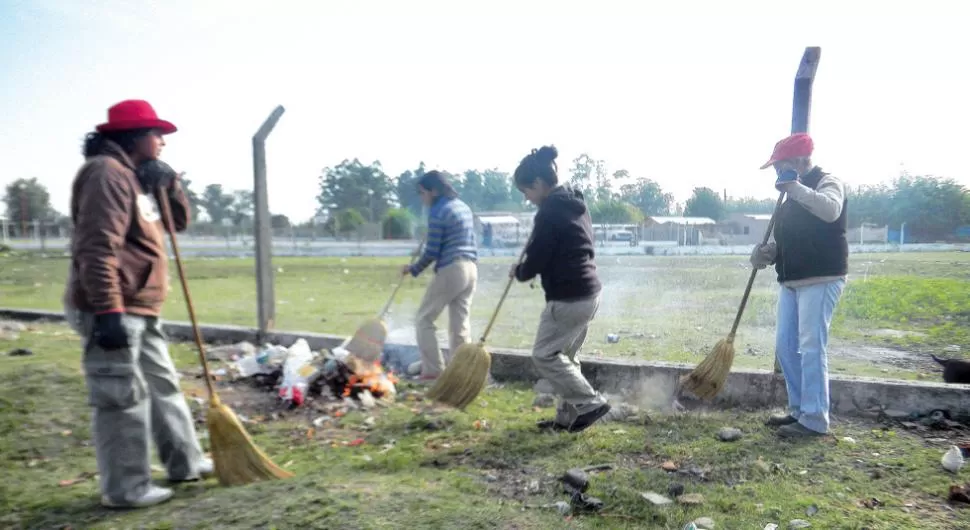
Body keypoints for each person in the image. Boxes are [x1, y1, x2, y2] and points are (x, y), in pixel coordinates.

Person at [68, 99, 211, 508]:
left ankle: (186, 462)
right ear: (134, 137)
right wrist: (108, 309)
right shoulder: (106, 175)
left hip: (142, 306)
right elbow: (96, 248)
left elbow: (175, 223)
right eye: (156, 134)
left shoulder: (135, 177)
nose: (162, 141)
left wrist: (169, 185)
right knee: (121, 396)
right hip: (113, 306)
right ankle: (127, 489)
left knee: (163, 386)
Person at [750, 132, 848, 439]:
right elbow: (786, 240)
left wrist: (794, 187)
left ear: (798, 161)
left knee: (811, 347)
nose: (778, 172)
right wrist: (767, 253)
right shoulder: (787, 196)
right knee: (785, 345)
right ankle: (798, 411)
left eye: (780, 165)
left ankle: (815, 419)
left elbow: (830, 211)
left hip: (821, 276)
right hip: (791, 279)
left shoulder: (826, 181)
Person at [509, 145, 611, 433]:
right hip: (590, 293)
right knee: (565, 358)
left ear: (539, 184)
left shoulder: (549, 212)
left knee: (544, 355)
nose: (526, 198)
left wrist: (520, 271)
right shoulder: (574, 203)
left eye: (525, 190)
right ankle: (567, 418)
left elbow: (538, 258)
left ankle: (591, 403)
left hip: (568, 297)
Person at [401, 170, 478, 381]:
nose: (421, 197)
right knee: (459, 325)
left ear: (434, 191)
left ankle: (433, 371)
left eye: (422, 192)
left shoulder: (438, 211)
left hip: (452, 268)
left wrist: (413, 269)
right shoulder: (462, 206)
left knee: (424, 319)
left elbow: (432, 251)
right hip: (471, 268)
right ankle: (461, 372)